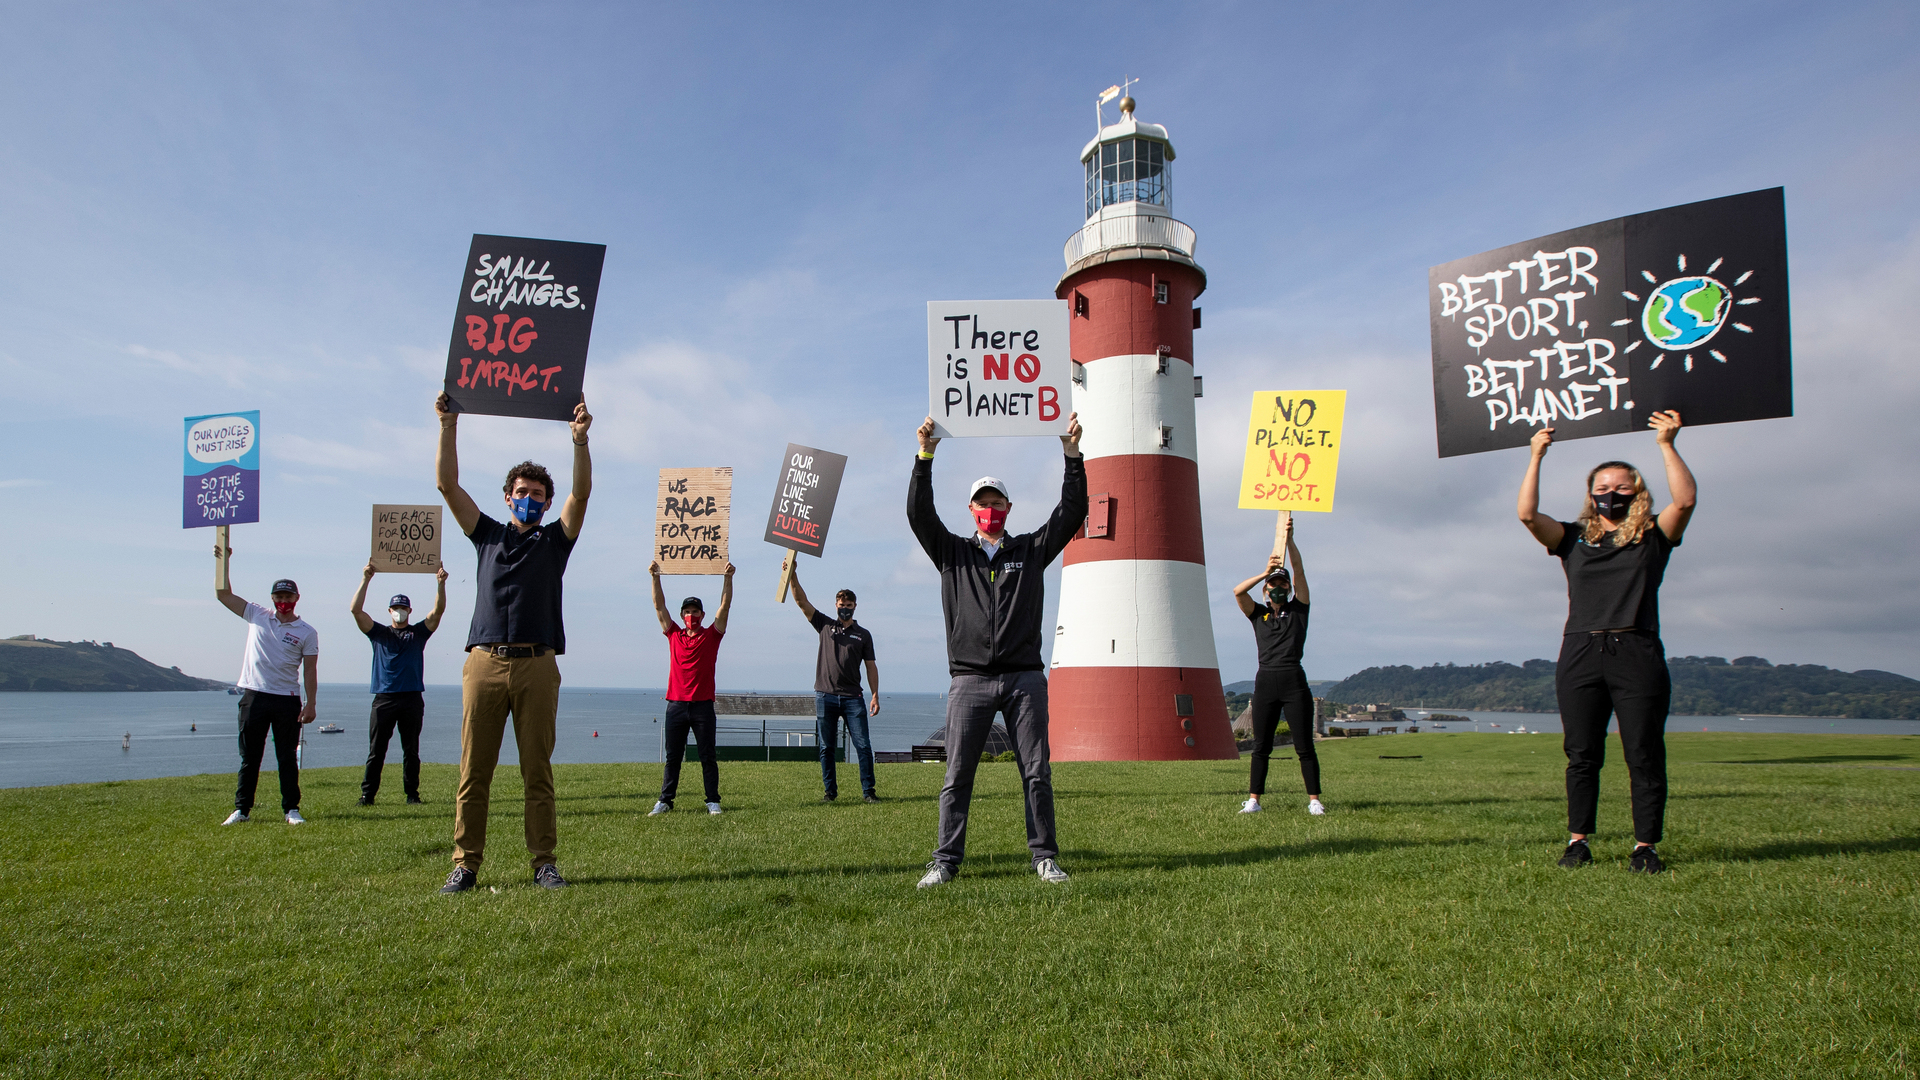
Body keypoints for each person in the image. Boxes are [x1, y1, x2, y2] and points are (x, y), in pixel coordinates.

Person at [907, 411, 1086, 888]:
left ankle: (1045, 857)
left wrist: (1071, 455)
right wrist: (925, 456)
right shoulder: (951, 553)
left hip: (1025, 678)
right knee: (957, 774)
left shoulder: (1030, 550)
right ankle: (945, 861)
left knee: (1037, 773)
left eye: (997, 503)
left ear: (1009, 507)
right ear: (971, 510)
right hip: (969, 680)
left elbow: (1072, 512)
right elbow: (919, 515)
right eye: (982, 504)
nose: (990, 510)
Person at [1518, 409, 1696, 874]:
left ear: (1637, 490)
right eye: (1601, 487)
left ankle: (1645, 846)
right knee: (1581, 754)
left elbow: (1685, 501)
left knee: (1643, 752)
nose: (1610, 493)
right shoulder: (1573, 538)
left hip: (1636, 649)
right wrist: (1536, 456)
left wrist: (1666, 444)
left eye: (1620, 486)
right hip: (1580, 651)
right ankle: (1578, 842)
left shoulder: (1653, 535)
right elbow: (1527, 515)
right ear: (1590, 494)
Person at [433, 390, 592, 894]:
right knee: (473, 771)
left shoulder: (555, 541)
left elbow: (580, 496)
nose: (530, 499)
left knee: (536, 771)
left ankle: (544, 863)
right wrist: (448, 425)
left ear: (545, 501)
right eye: (522, 491)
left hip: (537, 666)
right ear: (508, 497)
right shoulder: (486, 535)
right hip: (483, 664)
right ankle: (465, 865)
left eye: (538, 494)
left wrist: (580, 442)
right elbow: (447, 484)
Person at [213, 544, 317, 827]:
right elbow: (223, 595)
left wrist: (311, 703)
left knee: (287, 757)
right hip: (254, 696)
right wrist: (224, 562)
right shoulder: (256, 614)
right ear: (272, 598)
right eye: (279, 597)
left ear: (297, 598)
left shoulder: (307, 632)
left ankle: (291, 809)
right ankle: (242, 810)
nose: (283, 601)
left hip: (287, 700)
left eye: (288, 597)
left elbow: (310, 670)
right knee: (250, 757)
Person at [1231, 518, 1324, 816]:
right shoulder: (1258, 614)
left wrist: (1290, 541)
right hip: (1265, 682)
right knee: (1261, 746)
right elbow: (1238, 592)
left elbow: (1300, 573)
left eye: (1283, 584)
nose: (1279, 587)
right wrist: (1265, 572)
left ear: (1289, 588)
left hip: (1294, 680)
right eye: (1274, 584)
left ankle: (1314, 801)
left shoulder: (1299, 610)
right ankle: (1254, 801)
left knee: (1304, 746)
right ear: (1267, 589)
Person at [349, 561, 448, 806]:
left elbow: (437, 612)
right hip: (384, 698)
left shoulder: (418, 633)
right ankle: (367, 795)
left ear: (410, 610)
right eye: (396, 608)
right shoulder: (378, 633)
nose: (399, 611)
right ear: (389, 610)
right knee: (376, 751)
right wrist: (366, 579)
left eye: (403, 608)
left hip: (411, 698)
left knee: (411, 751)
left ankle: (412, 795)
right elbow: (356, 610)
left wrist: (440, 584)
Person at [788, 565, 881, 803]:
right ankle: (830, 793)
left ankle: (868, 792)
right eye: (841, 604)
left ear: (855, 606)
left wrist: (875, 695)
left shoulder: (864, 635)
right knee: (826, 747)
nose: (845, 608)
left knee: (863, 745)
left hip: (853, 698)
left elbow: (871, 666)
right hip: (825, 696)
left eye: (849, 605)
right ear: (836, 605)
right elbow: (801, 601)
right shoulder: (825, 625)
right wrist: (792, 574)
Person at [648, 560, 734, 816]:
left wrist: (728, 578)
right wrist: (655, 577)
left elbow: (725, 606)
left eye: (695, 612)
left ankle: (713, 801)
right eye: (687, 611)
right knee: (673, 758)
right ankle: (665, 801)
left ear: (702, 615)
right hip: (675, 705)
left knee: (707, 756)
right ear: (682, 615)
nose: (691, 616)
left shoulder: (712, 635)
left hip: (703, 707)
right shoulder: (674, 634)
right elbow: (659, 606)